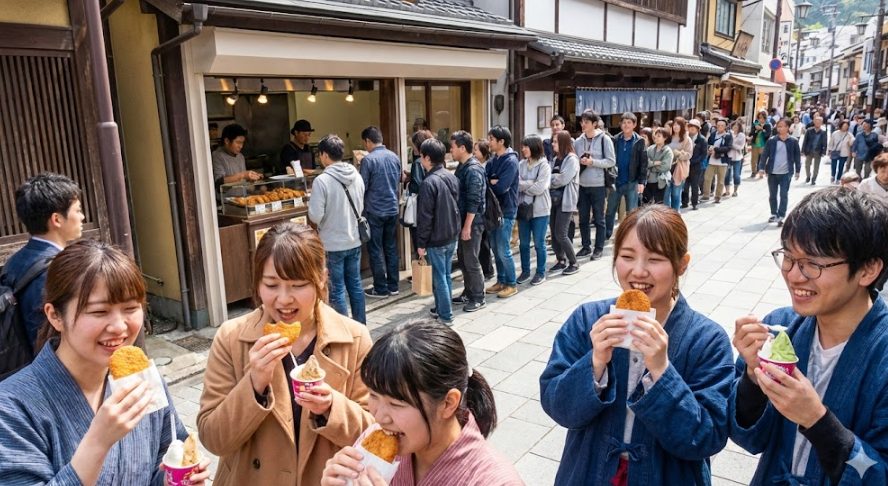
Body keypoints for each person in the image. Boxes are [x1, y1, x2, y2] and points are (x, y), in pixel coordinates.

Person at [540, 204, 734, 485]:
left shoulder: (707, 340)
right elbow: (556, 404)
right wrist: (594, 363)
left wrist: (662, 371)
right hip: (589, 471)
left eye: (655, 259)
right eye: (627, 256)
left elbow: (707, 437)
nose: (638, 271)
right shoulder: (587, 320)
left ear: (682, 263)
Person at [0, 240, 211, 484]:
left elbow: (165, 457)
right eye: (99, 312)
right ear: (55, 316)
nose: (120, 327)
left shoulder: (143, 383)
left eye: (131, 308)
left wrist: (174, 477)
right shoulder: (11, 408)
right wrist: (98, 443)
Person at [729, 187, 888, 486]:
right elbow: (749, 438)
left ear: (868, 270)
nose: (794, 275)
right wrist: (752, 378)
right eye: (788, 257)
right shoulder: (779, 330)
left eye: (813, 263)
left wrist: (817, 420)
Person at [198, 223, 373, 485]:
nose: (283, 299)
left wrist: (330, 407)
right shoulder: (232, 338)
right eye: (271, 285)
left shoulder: (355, 339)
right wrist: (254, 384)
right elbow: (213, 438)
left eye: (297, 285)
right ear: (258, 283)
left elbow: (376, 434)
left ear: (322, 278)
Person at [320, 320, 523, 486]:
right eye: (373, 395)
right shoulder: (373, 441)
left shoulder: (494, 480)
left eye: (396, 404)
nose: (379, 417)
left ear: (448, 403)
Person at [2, 173, 84, 355]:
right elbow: (50, 339)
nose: (83, 217)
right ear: (57, 219)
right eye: (77, 210)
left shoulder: (13, 262)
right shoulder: (57, 270)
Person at [308, 134, 367, 324]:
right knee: (356, 285)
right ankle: (360, 326)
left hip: (333, 244)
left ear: (325, 155)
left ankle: (344, 330)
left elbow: (315, 216)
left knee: (337, 289)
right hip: (355, 239)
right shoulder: (356, 175)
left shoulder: (322, 181)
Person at [415, 139, 461, 325]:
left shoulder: (429, 182)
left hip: (437, 237)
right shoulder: (451, 176)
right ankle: (444, 309)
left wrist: (421, 243)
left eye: (421, 156)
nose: (420, 160)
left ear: (427, 158)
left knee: (440, 276)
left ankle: (446, 315)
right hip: (451, 234)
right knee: (445, 274)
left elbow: (425, 217)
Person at [360, 126, 402, 299]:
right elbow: (399, 180)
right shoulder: (394, 156)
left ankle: (380, 288)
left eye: (365, 143)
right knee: (391, 247)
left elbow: (362, 186)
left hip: (375, 210)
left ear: (368, 141)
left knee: (376, 249)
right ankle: (393, 285)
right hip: (393, 208)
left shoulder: (368, 160)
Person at [450, 131, 487, 313]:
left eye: (453, 147)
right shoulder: (462, 166)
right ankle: (468, 291)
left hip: (473, 222)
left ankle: (479, 296)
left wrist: (467, 226)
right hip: (464, 220)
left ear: (462, 148)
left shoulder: (473, 169)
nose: (451, 150)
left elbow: (474, 201)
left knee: (471, 260)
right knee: (464, 259)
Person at [573, 110, 616, 261]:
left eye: (586, 122)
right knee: (583, 218)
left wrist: (593, 162)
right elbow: (573, 161)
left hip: (598, 185)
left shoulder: (605, 140)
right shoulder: (578, 141)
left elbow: (611, 161)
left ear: (595, 124)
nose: (583, 125)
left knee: (599, 218)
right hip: (582, 185)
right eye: (582, 122)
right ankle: (585, 246)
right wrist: (580, 161)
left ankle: (598, 248)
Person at [485, 126, 520, 299]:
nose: (489, 142)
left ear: (501, 142)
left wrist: (493, 182)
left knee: (503, 248)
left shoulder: (511, 161)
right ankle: (501, 280)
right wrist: (492, 181)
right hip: (492, 209)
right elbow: (486, 181)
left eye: (491, 139)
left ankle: (511, 284)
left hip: (506, 209)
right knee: (494, 247)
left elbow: (501, 187)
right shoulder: (492, 160)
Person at [516, 135, 552, 287]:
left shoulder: (544, 166)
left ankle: (541, 272)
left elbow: (540, 188)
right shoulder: (521, 164)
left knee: (539, 243)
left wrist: (525, 185)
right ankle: (525, 271)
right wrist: (530, 183)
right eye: (523, 146)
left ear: (534, 147)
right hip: (523, 208)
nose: (523, 149)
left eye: (526, 146)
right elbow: (515, 184)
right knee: (523, 243)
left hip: (540, 210)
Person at [606, 113, 648, 236]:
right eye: (624, 122)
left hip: (632, 180)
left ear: (634, 125)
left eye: (629, 122)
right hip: (616, 181)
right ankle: (607, 233)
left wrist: (642, 182)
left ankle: (631, 235)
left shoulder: (639, 141)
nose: (626, 125)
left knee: (632, 211)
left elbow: (643, 163)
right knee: (610, 209)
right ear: (620, 124)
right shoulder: (615, 139)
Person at [549, 130, 581, 277]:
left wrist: (552, 178)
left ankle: (573, 262)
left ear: (563, 143)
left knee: (561, 233)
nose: (553, 144)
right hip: (553, 200)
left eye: (555, 142)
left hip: (566, 201)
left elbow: (563, 179)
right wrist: (554, 178)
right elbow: (548, 178)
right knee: (554, 234)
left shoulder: (572, 159)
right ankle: (560, 260)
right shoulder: (555, 159)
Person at [760, 118, 801, 227]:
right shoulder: (772, 140)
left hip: (786, 173)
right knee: (772, 195)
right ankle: (773, 213)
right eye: (778, 126)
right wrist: (761, 168)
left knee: (783, 194)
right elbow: (765, 155)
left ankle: (781, 215)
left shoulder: (793, 141)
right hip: (772, 172)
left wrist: (798, 170)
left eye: (782, 126)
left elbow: (797, 156)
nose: (780, 128)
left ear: (788, 127)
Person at [404, 130, 434, 260]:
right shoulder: (435, 160)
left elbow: (417, 184)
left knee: (418, 239)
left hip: (418, 206)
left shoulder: (417, 163)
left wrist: (409, 180)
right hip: (430, 206)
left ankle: (422, 272)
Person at [213, 123, 261, 188]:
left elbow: (243, 183)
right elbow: (219, 183)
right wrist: (243, 175)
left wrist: (252, 180)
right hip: (225, 197)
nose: (241, 146)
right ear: (227, 141)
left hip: (242, 197)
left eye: (242, 143)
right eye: (238, 142)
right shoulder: (217, 155)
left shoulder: (240, 157)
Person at [474, 140, 495, 280]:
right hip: (482, 208)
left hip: (486, 208)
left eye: (476, 150)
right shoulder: (476, 165)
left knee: (485, 241)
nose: (474, 152)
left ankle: (488, 270)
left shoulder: (488, 166)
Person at [703, 118, 732, 203]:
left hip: (722, 161)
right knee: (707, 178)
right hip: (712, 159)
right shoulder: (713, 134)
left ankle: (718, 197)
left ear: (725, 126)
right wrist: (709, 148)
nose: (720, 127)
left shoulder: (728, 136)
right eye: (718, 125)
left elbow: (728, 148)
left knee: (720, 180)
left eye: (722, 125)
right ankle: (706, 195)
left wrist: (716, 149)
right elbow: (708, 143)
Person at [665, 117, 691, 210]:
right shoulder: (668, 137)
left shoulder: (686, 139)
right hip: (667, 166)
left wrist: (679, 154)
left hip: (679, 167)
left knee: (676, 193)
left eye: (678, 125)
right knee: (666, 193)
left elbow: (689, 154)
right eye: (674, 124)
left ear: (682, 126)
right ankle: (668, 215)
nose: (675, 127)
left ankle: (676, 214)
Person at [681, 119, 708, 210]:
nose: (691, 128)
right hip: (685, 164)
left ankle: (694, 203)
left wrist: (694, 161)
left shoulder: (702, 139)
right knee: (685, 184)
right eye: (690, 126)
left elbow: (704, 154)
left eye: (694, 127)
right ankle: (684, 202)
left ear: (698, 129)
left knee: (694, 184)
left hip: (696, 166)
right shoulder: (685, 137)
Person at [643, 127, 674, 204]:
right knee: (648, 203)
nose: (656, 138)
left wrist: (651, 167)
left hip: (661, 180)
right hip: (649, 179)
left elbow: (665, 167)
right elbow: (645, 162)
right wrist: (655, 163)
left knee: (659, 204)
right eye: (655, 135)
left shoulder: (668, 151)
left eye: (659, 136)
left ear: (665, 138)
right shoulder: (650, 149)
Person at [802, 116, 828, 185]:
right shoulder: (809, 130)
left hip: (818, 151)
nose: (817, 123)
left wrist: (824, 151)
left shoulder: (823, 132)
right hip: (809, 150)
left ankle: (814, 179)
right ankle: (808, 176)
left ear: (821, 123)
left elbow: (825, 143)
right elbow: (805, 141)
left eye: (819, 122)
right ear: (814, 122)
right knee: (807, 165)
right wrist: (803, 151)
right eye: (816, 122)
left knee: (816, 167)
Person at [724, 120, 746, 197]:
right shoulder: (729, 134)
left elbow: (741, 147)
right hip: (728, 156)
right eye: (734, 127)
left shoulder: (742, 135)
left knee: (736, 174)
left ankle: (735, 190)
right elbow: (726, 144)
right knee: (727, 174)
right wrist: (732, 145)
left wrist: (731, 145)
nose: (735, 128)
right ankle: (727, 190)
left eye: (737, 127)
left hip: (737, 157)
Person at [750, 111, 772, 178]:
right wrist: (756, 130)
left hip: (763, 145)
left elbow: (767, 135)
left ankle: (761, 171)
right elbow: (752, 133)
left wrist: (762, 129)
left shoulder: (768, 125)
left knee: (763, 159)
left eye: (763, 118)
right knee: (753, 159)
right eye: (759, 118)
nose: (761, 119)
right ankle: (754, 172)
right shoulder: (755, 124)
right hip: (755, 144)